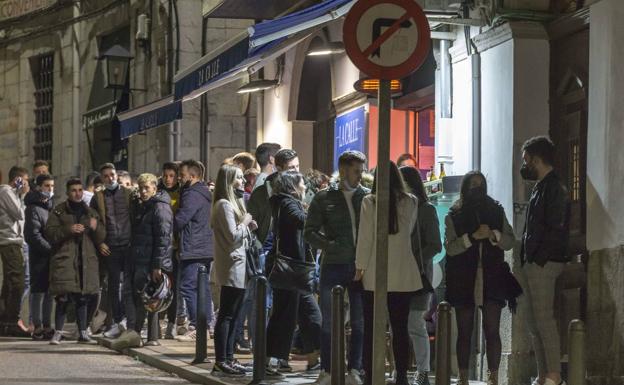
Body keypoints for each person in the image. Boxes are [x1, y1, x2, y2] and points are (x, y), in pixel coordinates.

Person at [444, 171, 517, 385]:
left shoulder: (496, 210)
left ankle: (493, 376)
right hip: (463, 277)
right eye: (473, 184)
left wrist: (494, 235)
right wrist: (472, 237)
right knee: (465, 330)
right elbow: (450, 247)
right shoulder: (454, 215)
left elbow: (510, 241)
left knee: (492, 330)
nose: (477, 188)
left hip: (492, 275)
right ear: (465, 188)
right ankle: (463, 376)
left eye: (481, 184)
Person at [355, 162, 423, 385]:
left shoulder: (370, 201)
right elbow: (409, 233)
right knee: (400, 328)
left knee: (371, 327)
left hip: (375, 272)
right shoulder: (411, 202)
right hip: (403, 273)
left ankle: (371, 374)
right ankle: (401, 375)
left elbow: (365, 239)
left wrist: (359, 268)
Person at [304, 151, 369, 385]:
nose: (360, 176)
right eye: (356, 171)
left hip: (361, 265)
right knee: (329, 320)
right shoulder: (324, 198)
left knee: (360, 320)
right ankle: (328, 370)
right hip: (333, 264)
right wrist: (330, 245)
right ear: (343, 171)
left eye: (362, 171)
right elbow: (309, 231)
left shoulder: (367, 197)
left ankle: (355, 369)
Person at [519, 136, 570, 385]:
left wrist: (538, 258)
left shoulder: (554, 187)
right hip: (534, 260)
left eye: (526, 160)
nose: (524, 165)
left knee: (544, 319)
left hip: (545, 262)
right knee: (533, 321)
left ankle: (554, 375)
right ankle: (542, 375)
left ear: (537, 159)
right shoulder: (540, 186)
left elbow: (555, 226)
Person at [266, 171, 322, 372]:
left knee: (296, 312)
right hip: (291, 267)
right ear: (293, 186)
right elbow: (302, 221)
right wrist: (315, 211)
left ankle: (311, 358)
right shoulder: (288, 203)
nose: (305, 186)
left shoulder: (282, 202)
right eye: (302, 183)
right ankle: (275, 359)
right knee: (287, 313)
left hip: (292, 267)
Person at [112, 173, 174, 349]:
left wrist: (157, 265)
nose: (143, 192)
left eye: (147, 188)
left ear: (155, 188)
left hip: (149, 262)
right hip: (137, 257)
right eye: (141, 188)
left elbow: (163, 239)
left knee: (144, 297)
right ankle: (133, 332)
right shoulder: (143, 206)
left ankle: (137, 332)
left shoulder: (160, 207)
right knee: (130, 294)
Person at [210, 164, 258, 377]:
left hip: (239, 265)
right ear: (228, 181)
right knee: (227, 315)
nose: (243, 181)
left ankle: (229, 358)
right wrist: (246, 222)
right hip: (231, 266)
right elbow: (232, 235)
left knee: (235, 314)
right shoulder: (223, 205)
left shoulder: (232, 203)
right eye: (238, 177)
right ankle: (221, 360)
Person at [46, 177, 105, 345]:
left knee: (82, 297)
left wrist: (95, 227)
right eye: (74, 190)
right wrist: (68, 229)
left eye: (80, 190)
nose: (77, 193)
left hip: (86, 260)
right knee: (63, 297)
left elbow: (101, 236)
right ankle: (57, 332)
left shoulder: (91, 212)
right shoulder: (59, 211)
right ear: (67, 193)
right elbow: (50, 233)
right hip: (66, 259)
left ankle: (83, 332)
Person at [399, 166, 442, 385]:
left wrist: (414, 258)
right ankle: (401, 371)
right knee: (400, 324)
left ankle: (423, 371)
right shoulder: (397, 209)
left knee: (415, 323)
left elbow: (435, 244)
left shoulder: (426, 209)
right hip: (398, 275)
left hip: (418, 275)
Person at [90, 163, 135, 338]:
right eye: (106, 176)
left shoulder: (128, 193)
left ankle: (128, 320)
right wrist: (100, 242)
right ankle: (118, 320)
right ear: (102, 179)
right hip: (111, 247)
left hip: (128, 244)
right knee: (114, 286)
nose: (110, 178)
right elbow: (93, 223)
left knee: (129, 285)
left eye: (113, 174)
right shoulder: (97, 197)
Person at [174, 160, 214, 341]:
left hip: (194, 247)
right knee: (201, 287)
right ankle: (205, 326)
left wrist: (168, 223)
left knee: (188, 287)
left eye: (182, 176)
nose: (179, 179)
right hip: (204, 246)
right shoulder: (204, 192)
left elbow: (181, 219)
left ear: (192, 176)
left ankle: (198, 325)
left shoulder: (192, 194)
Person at [25, 174, 56, 340]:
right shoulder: (33, 208)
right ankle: (37, 326)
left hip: (51, 255)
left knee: (50, 291)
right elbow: (32, 235)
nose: (50, 189)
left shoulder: (50, 206)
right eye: (46, 186)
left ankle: (47, 325)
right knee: (38, 291)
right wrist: (50, 249)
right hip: (39, 256)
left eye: (52, 186)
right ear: (39, 187)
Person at [158, 161, 187, 339]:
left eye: (172, 176)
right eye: (166, 175)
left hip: (175, 246)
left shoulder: (182, 193)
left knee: (174, 287)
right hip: (161, 246)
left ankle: (171, 324)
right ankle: (156, 323)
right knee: (159, 285)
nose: (168, 179)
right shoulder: (158, 191)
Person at [0, 166, 30, 336]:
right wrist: (23, 193)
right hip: (9, 242)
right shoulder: (6, 191)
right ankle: (12, 321)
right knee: (17, 283)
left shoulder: (13, 194)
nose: (27, 183)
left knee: (9, 283)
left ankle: (4, 320)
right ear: (18, 179)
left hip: (15, 242)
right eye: (25, 179)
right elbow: (19, 214)